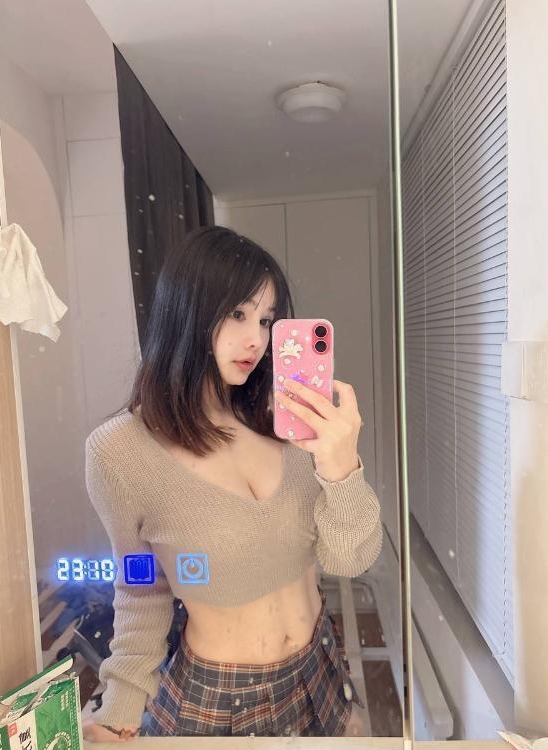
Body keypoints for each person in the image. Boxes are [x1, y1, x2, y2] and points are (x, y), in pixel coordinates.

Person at [82, 226, 383, 741]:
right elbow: (141, 584)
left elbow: (348, 560)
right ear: (186, 311)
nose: (257, 340)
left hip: (320, 667)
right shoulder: (120, 452)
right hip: (220, 701)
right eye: (238, 314)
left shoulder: (284, 420)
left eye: (266, 320)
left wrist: (342, 470)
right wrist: (122, 701)